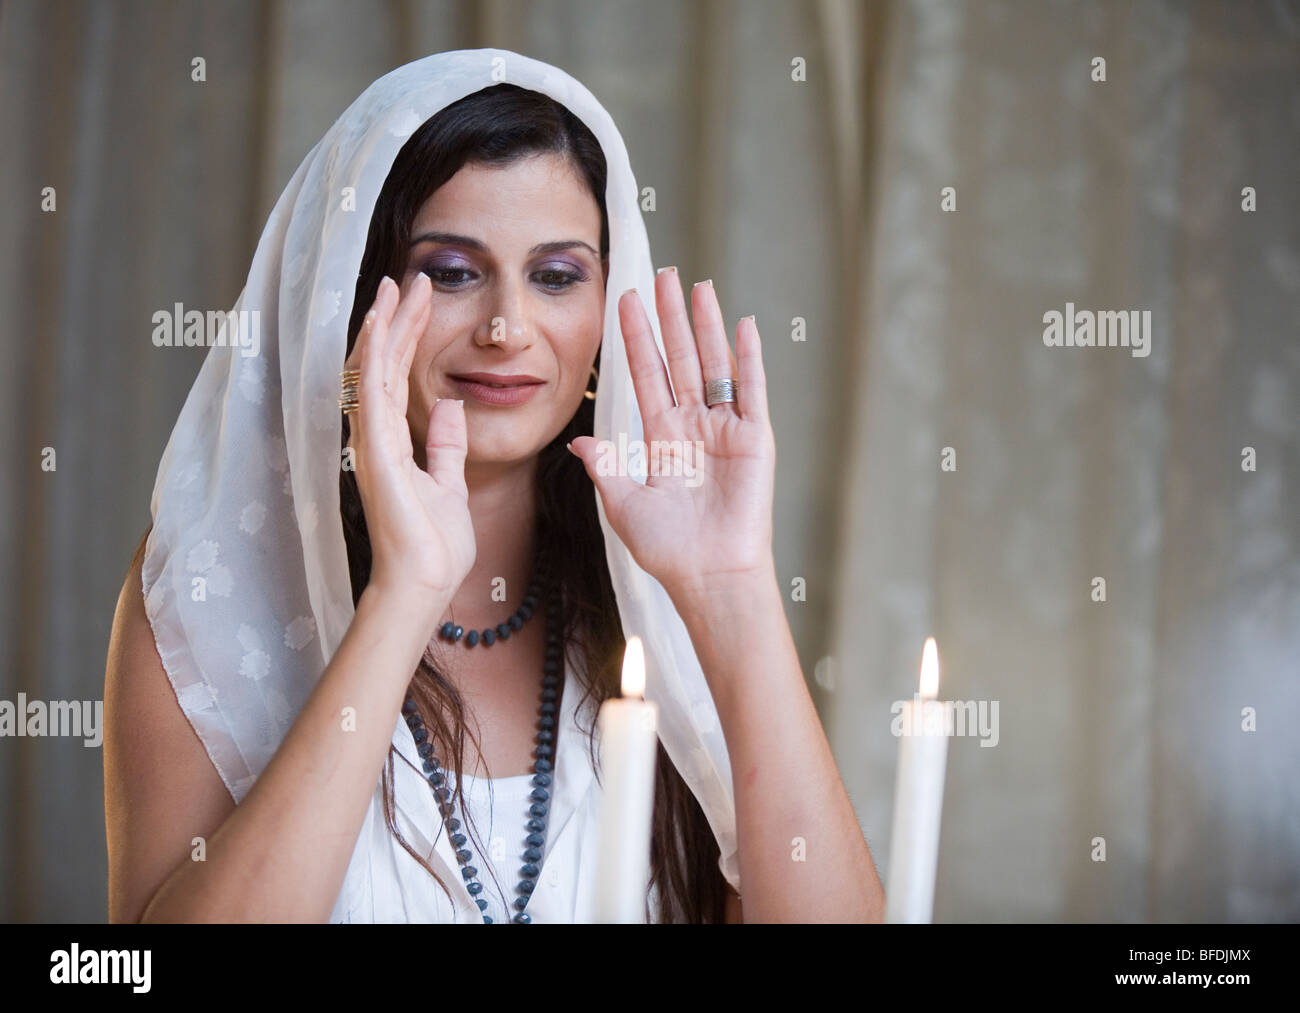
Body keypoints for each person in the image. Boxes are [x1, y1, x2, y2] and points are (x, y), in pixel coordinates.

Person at [103, 48, 884, 924]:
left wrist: (732, 585)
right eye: (452, 270)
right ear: (354, 298)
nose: (509, 327)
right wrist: (406, 593)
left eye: (556, 276)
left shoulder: (661, 599)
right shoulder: (209, 593)